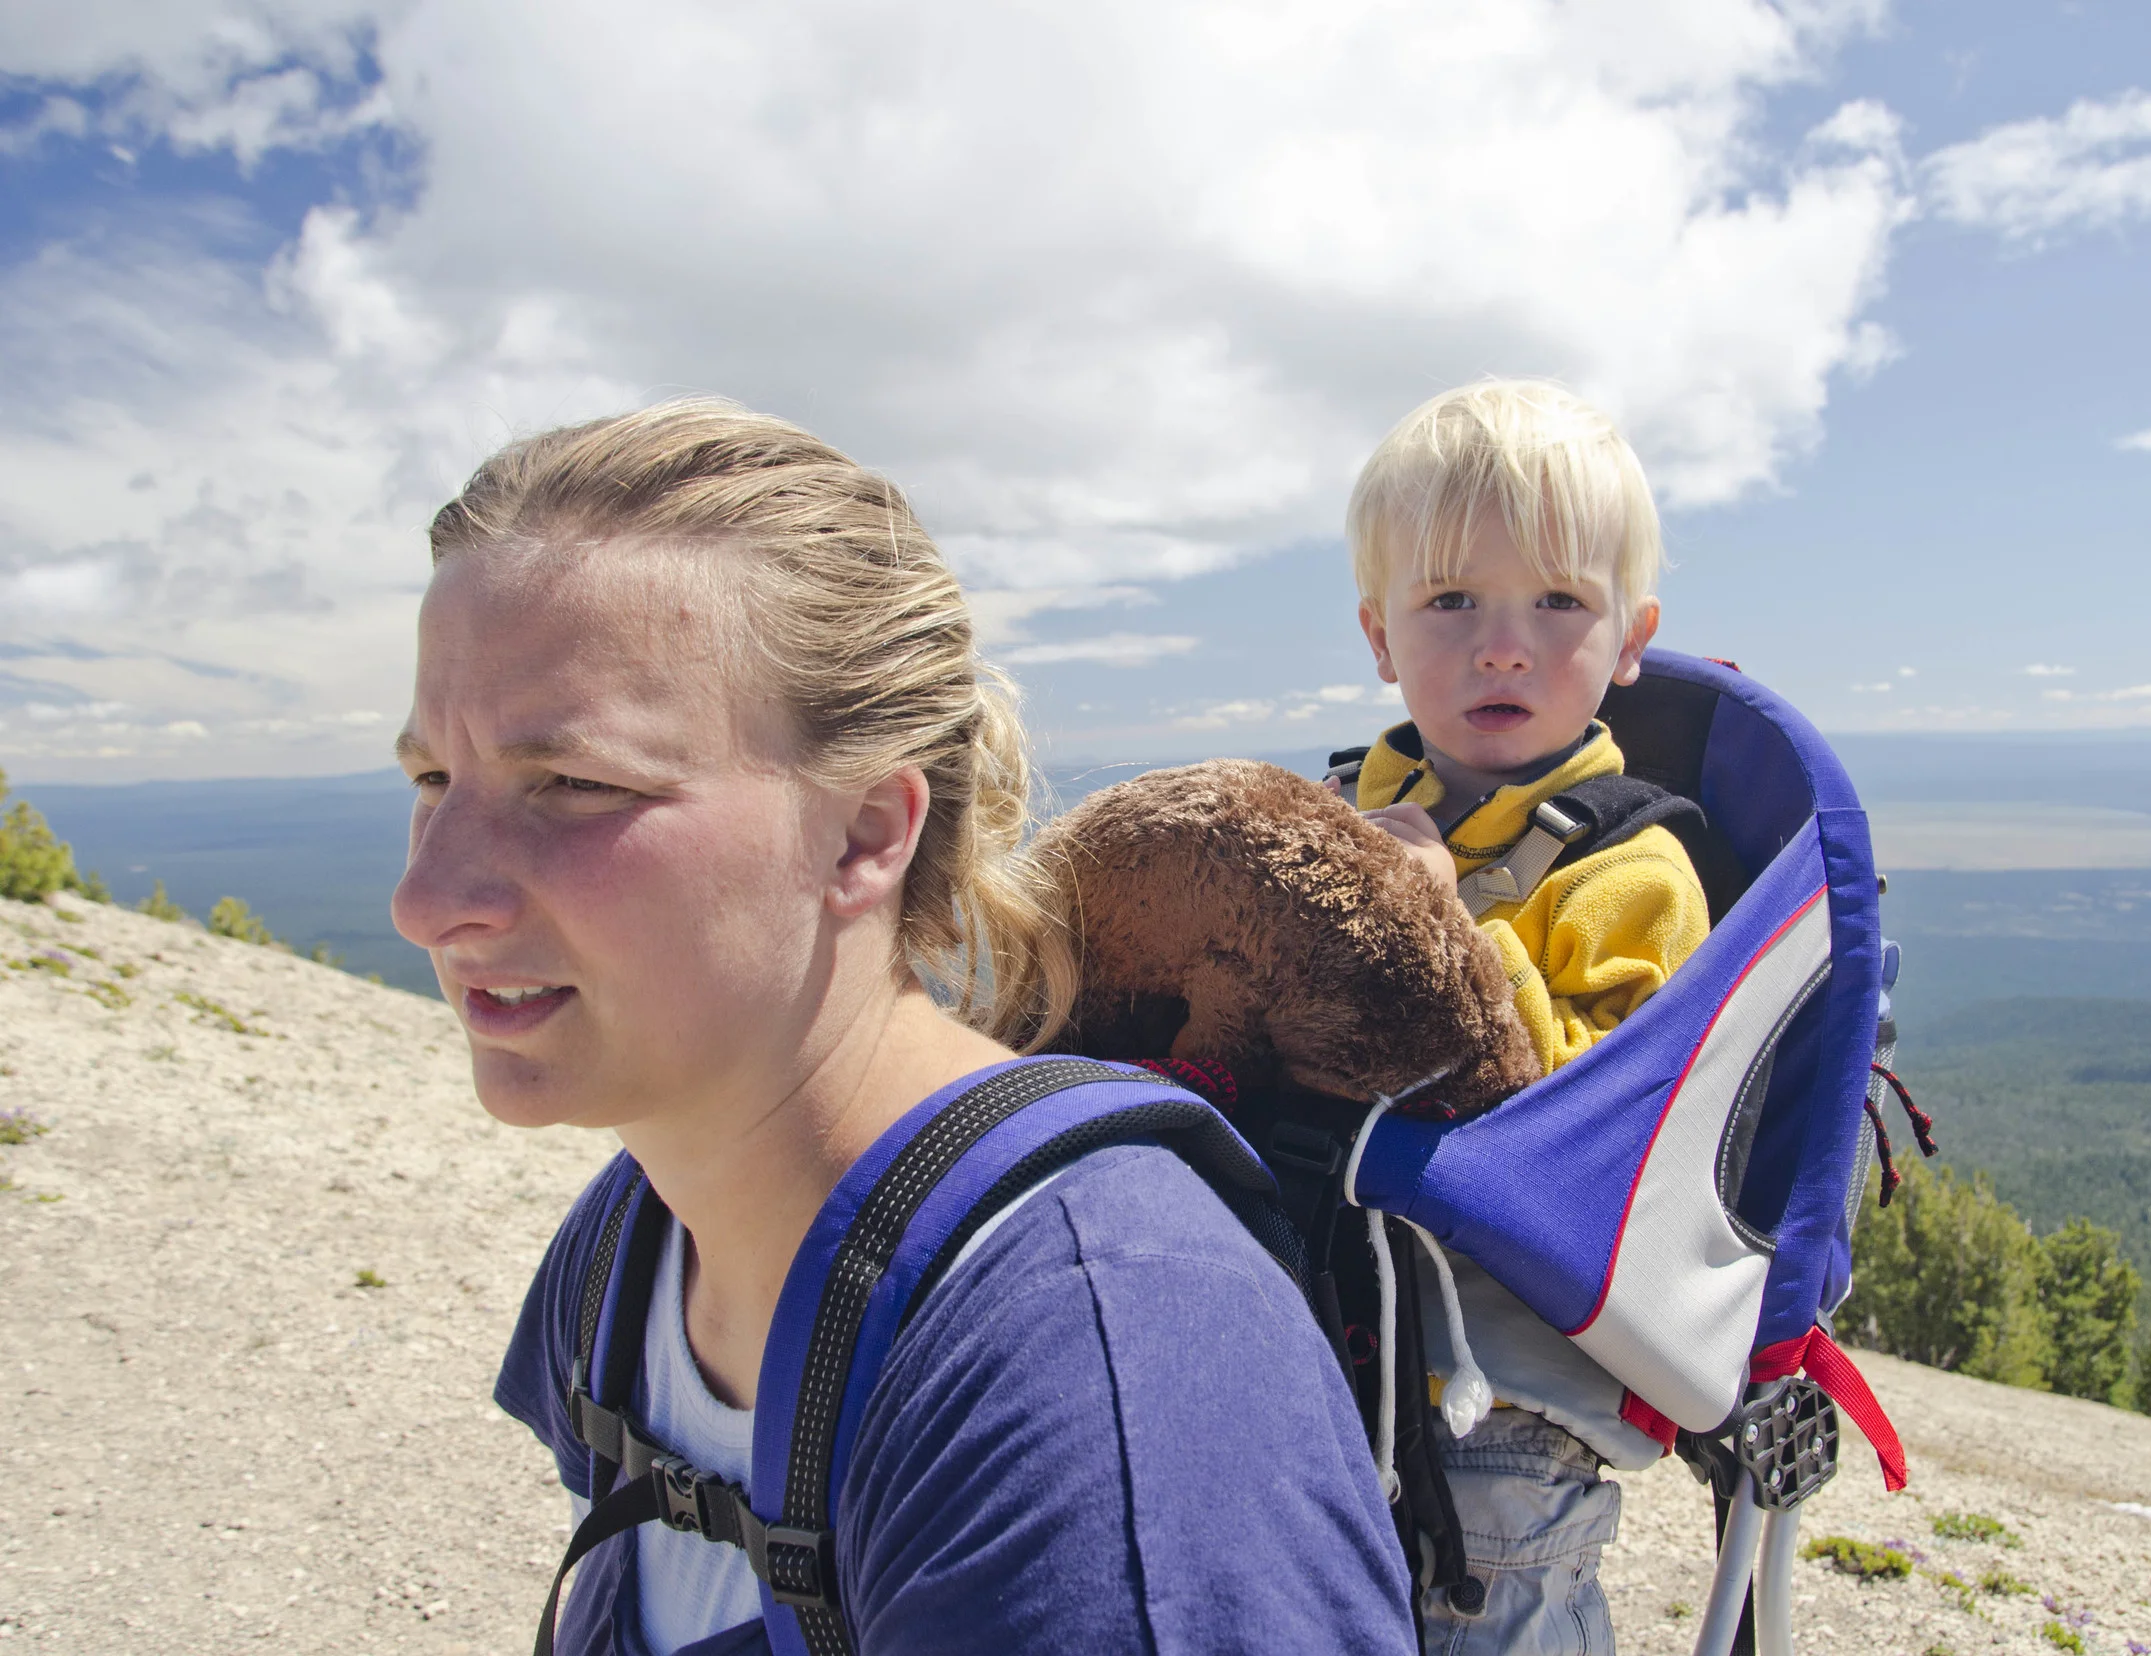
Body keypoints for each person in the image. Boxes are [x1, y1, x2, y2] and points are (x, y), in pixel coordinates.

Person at [391, 398, 1412, 1656]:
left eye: (574, 784)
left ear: (865, 835)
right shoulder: (634, 1248)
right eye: (431, 778)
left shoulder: (1095, 1372)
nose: (426, 899)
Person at [1334, 381, 1712, 1654]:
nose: (1503, 645)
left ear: (1628, 637)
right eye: (1450, 601)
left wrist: (1443, 919)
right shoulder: (1343, 814)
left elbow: (1597, 1122)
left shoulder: (1631, 872)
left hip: (1501, 1409)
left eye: (1557, 602)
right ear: (1381, 635)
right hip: (1326, 1352)